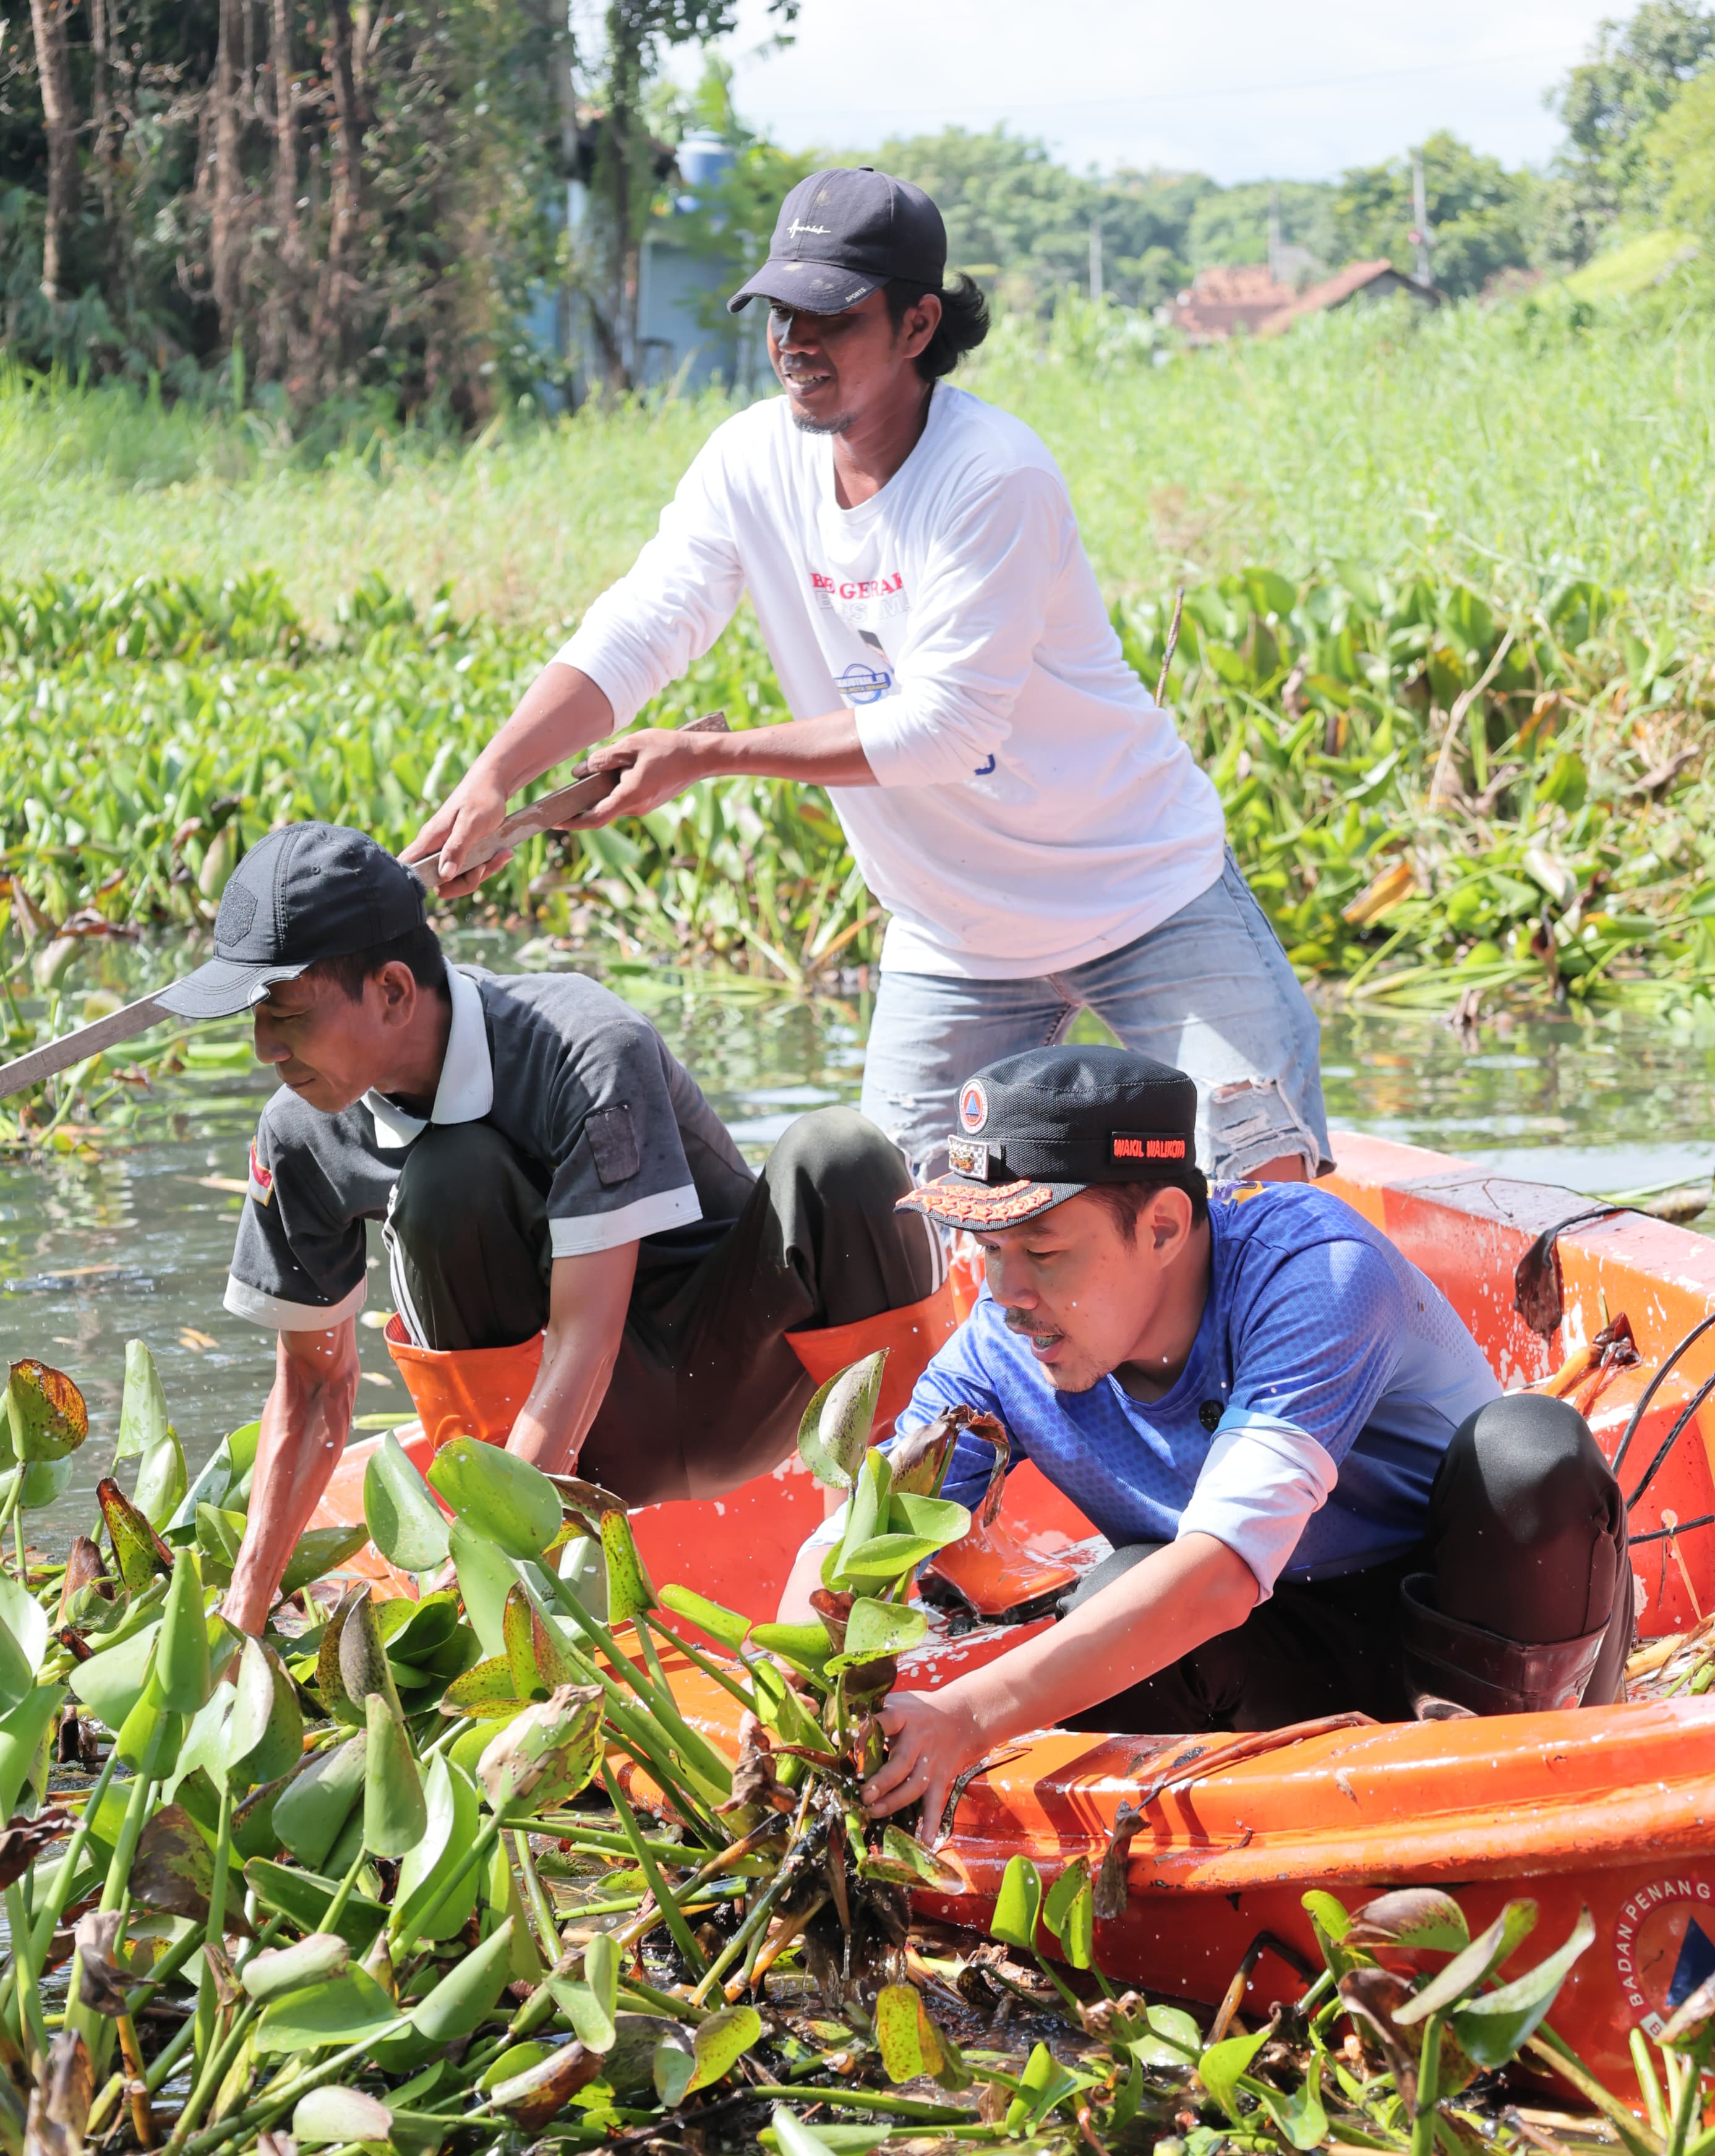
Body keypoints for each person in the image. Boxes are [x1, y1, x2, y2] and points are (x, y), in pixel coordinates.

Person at [400, 166, 1328, 1190]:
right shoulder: (747, 461)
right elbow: (644, 625)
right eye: (778, 313)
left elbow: (945, 730)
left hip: (1144, 891)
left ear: (917, 324)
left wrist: (703, 757)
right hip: (955, 934)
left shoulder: (992, 476)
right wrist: (496, 777)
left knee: (1262, 1188)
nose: (795, 343)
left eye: (831, 317)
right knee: (896, 1238)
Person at [776, 1046, 1632, 1839]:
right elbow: (857, 1535)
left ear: (1161, 1226)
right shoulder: (1002, 1347)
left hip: (1476, 1637)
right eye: (990, 1251)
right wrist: (796, 1698)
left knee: (1529, 1449)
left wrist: (965, 1716)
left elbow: (1221, 1575)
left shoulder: (1314, 1274)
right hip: (1285, 1655)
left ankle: (1499, 1787)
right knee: (1112, 1586)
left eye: (1041, 1250)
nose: (1006, 1293)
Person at [158, 822, 939, 1635]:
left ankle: (895, 1543)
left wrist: (491, 1572)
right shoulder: (300, 1135)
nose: (262, 1048)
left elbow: (585, 1340)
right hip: (577, 1446)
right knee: (450, 1174)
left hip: (728, 1390)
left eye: (285, 1015)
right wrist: (239, 1619)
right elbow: (316, 1386)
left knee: (842, 1153)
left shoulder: (586, 1047)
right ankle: (542, 1561)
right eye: (256, 1017)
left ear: (391, 991)